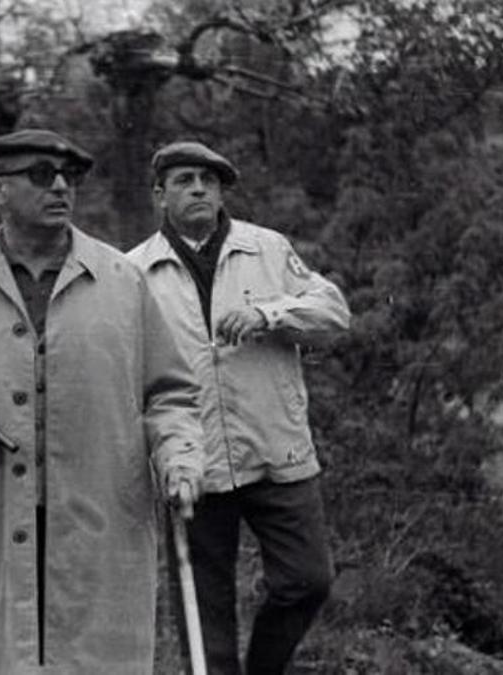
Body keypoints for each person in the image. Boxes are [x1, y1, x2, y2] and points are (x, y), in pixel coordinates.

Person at [0, 129, 204, 673]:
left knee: (94, 657)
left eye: (70, 177)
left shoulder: (122, 280)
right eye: (40, 174)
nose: (60, 186)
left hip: (99, 513)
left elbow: (169, 392)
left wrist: (179, 457)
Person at [128, 141, 351, 674]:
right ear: (160, 195)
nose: (200, 189)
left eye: (209, 179)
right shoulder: (133, 270)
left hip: (278, 451)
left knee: (307, 579)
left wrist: (270, 313)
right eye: (184, 180)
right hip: (193, 461)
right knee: (204, 607)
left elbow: (334, 313)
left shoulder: (267, 249)